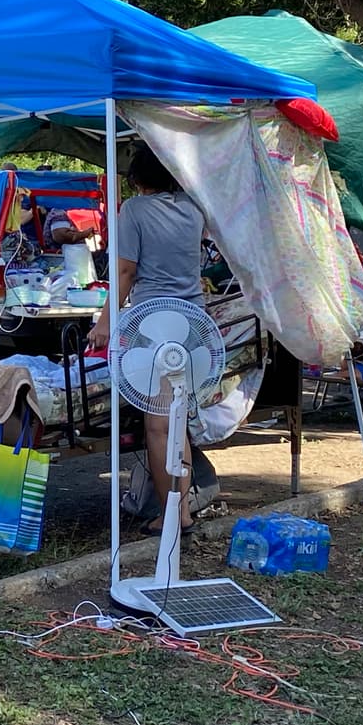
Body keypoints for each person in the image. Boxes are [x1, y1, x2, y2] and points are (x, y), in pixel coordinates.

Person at [86, 145, 204, 538]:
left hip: (155, 326)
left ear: (138, 178)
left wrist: (105, 323)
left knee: (159, 426)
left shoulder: (134, 210)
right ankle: (180, 509)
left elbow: (125, 272)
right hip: (193, 325)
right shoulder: (194, 209)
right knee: (177, 421)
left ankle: (173, 515)